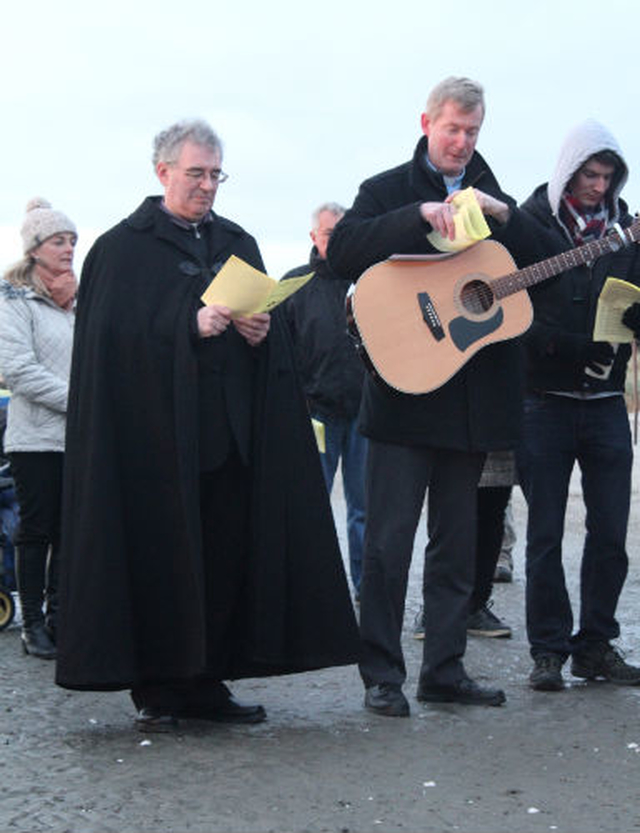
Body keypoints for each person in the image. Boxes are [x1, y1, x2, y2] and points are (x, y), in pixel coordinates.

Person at [55, 119, 359, 730]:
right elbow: (109, 346)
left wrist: (258, 332)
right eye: (196, 173)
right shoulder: (120, 250)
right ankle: (160, 688)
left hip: (229, 440)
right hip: (154, 447)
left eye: (216, 173)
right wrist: (185, 328)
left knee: (223, 562)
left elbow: (271, 335)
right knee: (161, 564)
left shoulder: (237, 242)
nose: (207, 186)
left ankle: (208, 682)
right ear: (162, 171)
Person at [328, 77, 535, 717]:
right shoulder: (387, 189)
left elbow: (548, 266)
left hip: (471, 407)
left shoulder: (493, 196)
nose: (462, 142)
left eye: (473, 132)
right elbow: (341, 253)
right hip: (402, 400)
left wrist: (510, 217)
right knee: (388, 547)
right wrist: (414, 217)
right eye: (452, 129)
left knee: (457, 549)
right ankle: (382, 677)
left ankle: (444, 671)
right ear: (427, 122)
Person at [516, 119, 640, 691]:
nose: (599, 184)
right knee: (543, 535)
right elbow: (503, 311)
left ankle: (595, 646)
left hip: (609, 400)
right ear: (567, 169)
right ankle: (548, 653)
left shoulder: (627, 230)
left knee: (611, 532)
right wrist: (568, 346)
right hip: (543, 401)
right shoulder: (530, 224)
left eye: (608, 174)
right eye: (590, 172)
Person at [0, 198, 77, 658]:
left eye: (71, 240)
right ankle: (32, 623)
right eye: (58, 241)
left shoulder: (77, 302)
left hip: (78, 438)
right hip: (35, 440)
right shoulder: (13, 300)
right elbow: (18, 369)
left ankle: (61, 618)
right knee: (37, 529)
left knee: (71, 531)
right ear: (35, 249)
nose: (68, 248)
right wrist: (81, 401)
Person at [283, 202, 366, 600]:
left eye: (344, 231)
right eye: (330, 232)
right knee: (310, 508)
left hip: (364, 415)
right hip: (314, 415)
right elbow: (278, 354)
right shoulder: (294, 285)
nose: (336, 239)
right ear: (314, 237)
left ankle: (365, 587)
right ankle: (309, 588)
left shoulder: (370, 282)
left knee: (364, 511)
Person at [413, 451, 514, 641]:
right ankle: (435, 608)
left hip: (497, 437)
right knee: (449, 515)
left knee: (493, 509)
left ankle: (475, 605)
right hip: (454, 436)